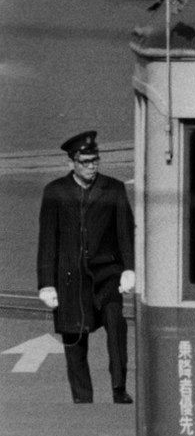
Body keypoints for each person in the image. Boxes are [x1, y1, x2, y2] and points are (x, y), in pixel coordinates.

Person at [36, 131, 135, 404]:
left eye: (95, 160)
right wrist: (46, 283)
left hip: (107, 275)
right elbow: (47, 240)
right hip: (70, 280)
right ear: (72, 163)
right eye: (86, 161)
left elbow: (125, 230)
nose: (92, 166)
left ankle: (118, 388)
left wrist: (129, 268)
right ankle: (82, 398)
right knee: (74, 339)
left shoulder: (113, 188)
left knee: (116, 327)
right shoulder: (55, 192)